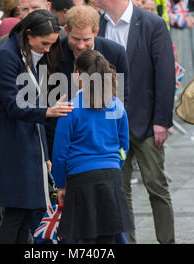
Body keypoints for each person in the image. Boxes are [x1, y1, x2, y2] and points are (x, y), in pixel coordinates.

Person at [91, 0, 176, 244]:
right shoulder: (97, 25)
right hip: (109, 125)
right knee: (119, 190)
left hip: (147, 123)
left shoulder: (152, 24)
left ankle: (167, 241)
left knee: (156, 187)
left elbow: (165, 76)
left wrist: (162, 121)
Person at [0, 10, 74, 244]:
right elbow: (13, 105)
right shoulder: (6, 56)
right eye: (44, 43)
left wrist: (45, 152)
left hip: (29, 140)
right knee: (16, 211)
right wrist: (48, 111)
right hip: (12, 141)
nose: (47, 50)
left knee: (28, 212)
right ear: (28, 34)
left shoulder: (26, 54)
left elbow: (32, 102)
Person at [52, 50, 134, 244]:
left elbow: (60, 153)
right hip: (111, 176)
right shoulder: (116, 106)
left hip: (80, 178)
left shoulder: (70, 108)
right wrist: (115, 164)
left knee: (84, 238)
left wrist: (60, 184)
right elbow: (124, 145)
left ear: (78, 75)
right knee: (108, 237)